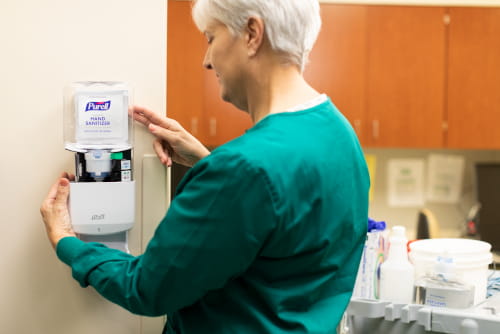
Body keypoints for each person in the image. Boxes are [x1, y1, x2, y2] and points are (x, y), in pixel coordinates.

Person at [40, 0, 369, 333]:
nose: (207, 60)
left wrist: (66, 240)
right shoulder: (339, 134)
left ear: (252, 34)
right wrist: (208, 163)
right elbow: (285, 219)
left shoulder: (243, 169)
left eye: (211, 37)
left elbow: (146, 288)